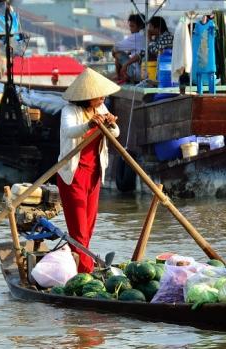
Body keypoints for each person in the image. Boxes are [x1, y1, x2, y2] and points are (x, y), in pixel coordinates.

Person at [57, 68, 121, 273]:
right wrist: (89, 125)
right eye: (97, 95)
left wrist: (111, 124)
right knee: (79, 229)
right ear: (86, 96)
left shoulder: (101, 109)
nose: (102, 97)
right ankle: (85, 270)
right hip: (73, 174)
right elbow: (69, 131)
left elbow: (116, 134)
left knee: (89, 226)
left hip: (94, 174)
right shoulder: (70, 111)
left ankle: (76, 263)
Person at [114, 14, 146, 83]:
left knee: (117, 53)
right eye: (130, 26)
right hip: (144, 72)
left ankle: (119, 75)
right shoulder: (146, 36)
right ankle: (120, 75)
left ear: (140, 26)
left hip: (137, 74)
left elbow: (115, 47)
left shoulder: (136, 36)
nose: (130, 29)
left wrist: (125, 64)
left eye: (132, 26)